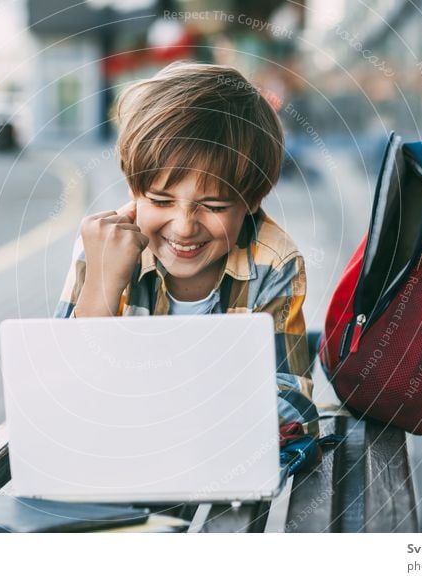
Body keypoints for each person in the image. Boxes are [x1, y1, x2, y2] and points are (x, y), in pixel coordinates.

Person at [54, 61, 318, 439]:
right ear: (133, 191)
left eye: (213, 207)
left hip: (222, 464)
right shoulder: (100, 246)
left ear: (252, 200)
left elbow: (294, 405)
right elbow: (63, 388)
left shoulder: (273, 263)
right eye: (161, 201)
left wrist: (176, 417)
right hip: (117, 451)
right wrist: (103, 284)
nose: (183, 226)